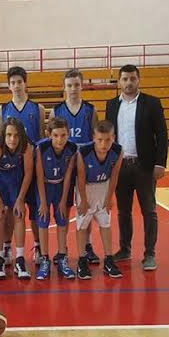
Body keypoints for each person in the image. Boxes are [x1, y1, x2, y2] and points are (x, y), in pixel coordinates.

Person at [105, 64, 168, 271]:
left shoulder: (152, 103)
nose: (129, 82)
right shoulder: (111, 105)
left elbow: (162, 135)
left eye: (132, 78)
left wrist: (160, 163)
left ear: (138, 80)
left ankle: (149, 254)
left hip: (145, 166)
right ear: (119, 82)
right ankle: (125, 249)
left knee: (149, 211)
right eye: (125, 79)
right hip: (120, 166)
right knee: (123, 212)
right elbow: (108, 137)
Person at [50, 68, 99, 265]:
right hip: (62, 166)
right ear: (64, 87)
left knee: (85, 207)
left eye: (76, 85)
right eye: (69, 85)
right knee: (62, 207)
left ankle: (87, 245)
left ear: (82, 86)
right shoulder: (56, 110)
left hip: (84, 166)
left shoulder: (90, 110)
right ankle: (62, 249)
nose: (73, 89)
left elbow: (96, 139)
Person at [0, 66, 45, 265]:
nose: (16, 86)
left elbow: (41, 137)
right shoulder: (2, 110)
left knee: (34, 210)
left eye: (19, 82)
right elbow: (1, 140)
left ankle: (38, 247)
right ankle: (7, 247)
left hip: (31, 166)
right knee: (10, 210)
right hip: (11, 169)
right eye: (13, 82)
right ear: (9, 86)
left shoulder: (37, 109)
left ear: (25, 83)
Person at [75, 120, 123, 280]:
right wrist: (83, 200)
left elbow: (114, 176)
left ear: (113, 137)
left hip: (104, 186)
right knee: (82, 224)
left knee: (105, 223)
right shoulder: (83, 152)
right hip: (86, 188)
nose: (104, 144)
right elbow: (80, 178)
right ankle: (82, 260)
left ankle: (109, 259)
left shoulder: (118, 151)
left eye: (108, 140)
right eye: (100, 140)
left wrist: (110, 197)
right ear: (93, 138)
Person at [0, 117, 34, 280]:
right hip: (0, 184)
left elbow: (28, 172)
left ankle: (20, 259)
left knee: (19, 215)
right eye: (8, 135)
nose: (12, 139)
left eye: (16, 135)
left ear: (21, 135)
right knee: (0, 216)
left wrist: (21, 199)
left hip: (16, 182)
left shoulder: (26, 147)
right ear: (3, 135)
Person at [35, 117, 77, 280]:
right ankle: (44, 258)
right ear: (49, 135)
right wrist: (43, 201)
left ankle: (62, 257)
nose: (60, 139)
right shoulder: (41, 148)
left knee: (62, 219)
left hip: (61, 186)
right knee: (43, 219)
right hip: (44, 186)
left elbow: (68, 176)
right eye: (56, 135)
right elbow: (39, 176)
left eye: (63, 135)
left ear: (68, 134)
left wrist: (63, 200)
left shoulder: (72, 149)